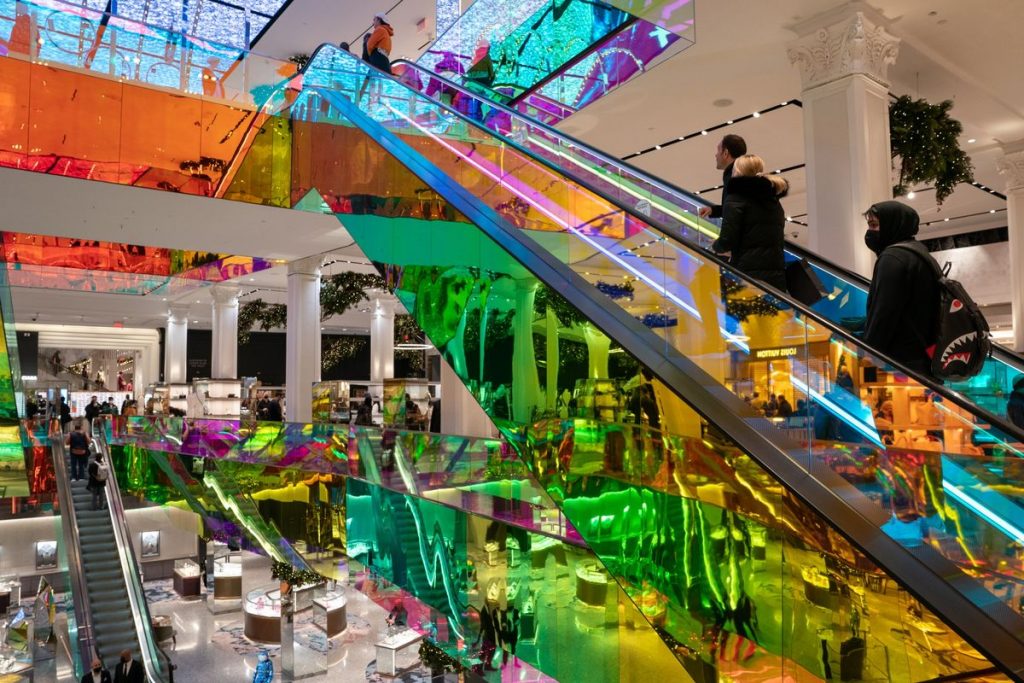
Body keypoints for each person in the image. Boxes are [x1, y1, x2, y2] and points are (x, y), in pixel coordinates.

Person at [862, 201, 940, 377]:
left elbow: (884, 311)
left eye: (874, 225)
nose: (869, 232)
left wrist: (869, 354)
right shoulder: (920, 254)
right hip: (924, 358)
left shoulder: (893, 257)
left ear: (893, 224)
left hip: (901, 363)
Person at [710, 154, 788, 291]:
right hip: (776, 277)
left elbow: (728, 240)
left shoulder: (735, 198)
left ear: (737, 171)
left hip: (747, 276)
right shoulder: (773, 200)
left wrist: (715, 246)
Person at [698, 134, 747, 219]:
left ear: (725, 153)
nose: (716, 155)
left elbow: (735, 213)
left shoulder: (735, 177)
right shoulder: (742, 174)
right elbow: (733, 208)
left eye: (718, 150)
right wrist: (713, 210)